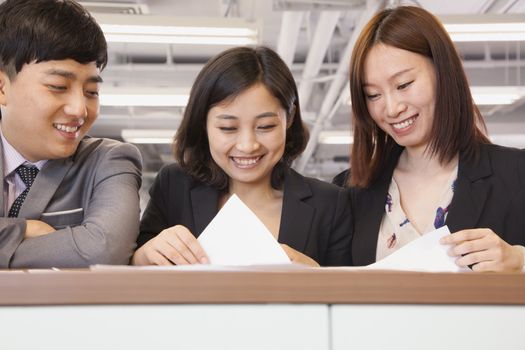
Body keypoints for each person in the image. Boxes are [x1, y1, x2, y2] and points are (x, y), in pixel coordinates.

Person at [333, 5, 525, 272]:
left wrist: (520, 261)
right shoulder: (349, 190)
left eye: (403, 85)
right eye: (373, 95)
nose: (391, 108)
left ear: (442, 72)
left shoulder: (516, 175)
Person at [133, 46, 351, 267]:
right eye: (228, 128)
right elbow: (130, 272)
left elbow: (353, 295)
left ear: (290, 118)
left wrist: (320, 278)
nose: (248, 146)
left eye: (265, 126)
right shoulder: (174, 187)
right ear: (203, 124)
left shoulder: (330, 205)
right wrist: (144, 255)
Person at [0, 0, 142, 268]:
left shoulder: (109, 162)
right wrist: (24, 230)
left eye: (91, 92)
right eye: (58, 86)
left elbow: (102, 251)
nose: (79, 109)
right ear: (2, 88)